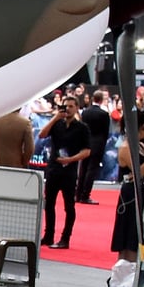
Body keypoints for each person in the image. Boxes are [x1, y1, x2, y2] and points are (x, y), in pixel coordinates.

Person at [40, 95, 91, 247]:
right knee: (49, 204)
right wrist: (55, 118)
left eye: (70, 106)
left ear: (76, 108)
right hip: (53, 170)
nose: (67, 109)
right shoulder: (56, 124)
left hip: (69, 172)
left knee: (69, 206)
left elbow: (87, 151)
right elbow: (42, 135)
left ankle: (65, 238)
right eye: (65, 106)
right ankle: (48, 235)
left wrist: (70, 160)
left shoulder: (82, 128)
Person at [112, 107, 144, 259]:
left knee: (139, 232)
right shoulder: (126, 147)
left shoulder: (140, 145)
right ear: (142, 126)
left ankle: (137, 264)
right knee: (130, 232)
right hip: (130, 195)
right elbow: (140, 171)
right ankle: (126, 266)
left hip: (143, 191)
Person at [78, 89, 113, 201]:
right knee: (92, 169)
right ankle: (85, 195)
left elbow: (82, 128)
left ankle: (78, 195)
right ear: (102, 100)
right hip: (98, 144)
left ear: (93, 99)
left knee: (83, 168)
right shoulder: (104, 114)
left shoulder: (85, 112)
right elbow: (106, 132)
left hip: (85, 142)